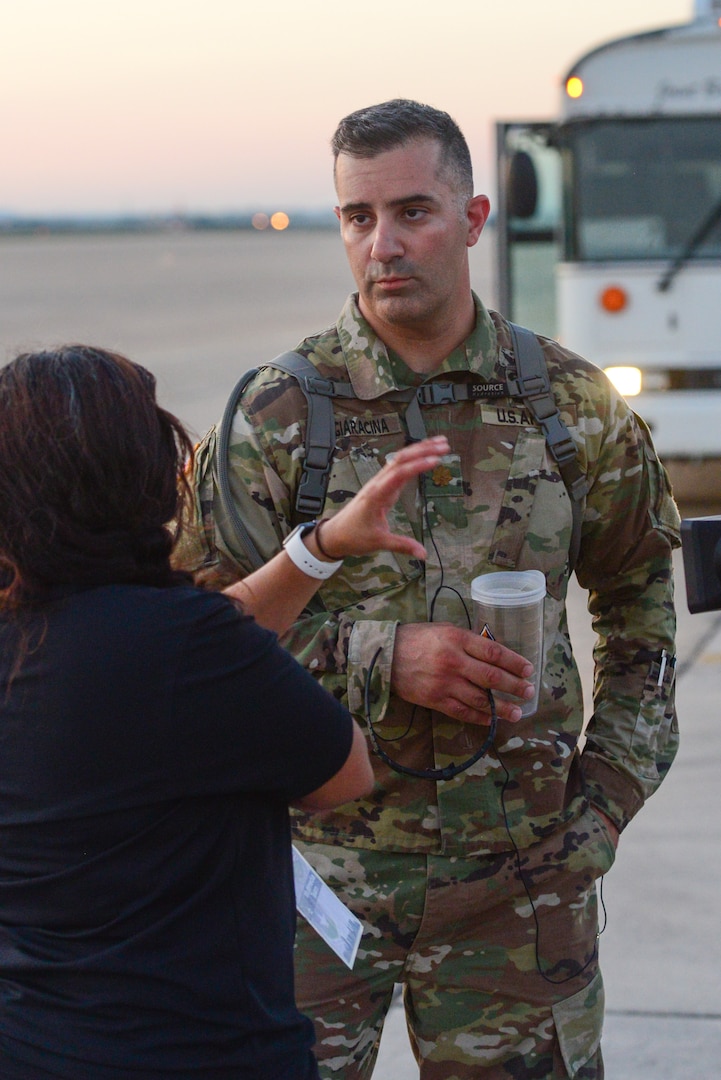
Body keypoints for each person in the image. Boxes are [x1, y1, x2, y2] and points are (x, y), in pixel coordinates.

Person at [177, 100, 681, 1079]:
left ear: (475, 218)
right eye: (358, 219)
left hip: (523, 889)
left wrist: (602, 806)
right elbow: (198, 642)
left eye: (412, 212)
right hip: (314, 888)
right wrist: (379, 657)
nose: (383, 245)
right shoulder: (275, 417)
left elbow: (642, 614)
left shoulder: (571, 407)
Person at [0, 343, 456, 1080]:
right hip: (200, 1053)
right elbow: (344, 771)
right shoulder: (179, 643)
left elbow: (161, 657)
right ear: (135, 477)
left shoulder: (65, 634)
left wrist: (319, 548)